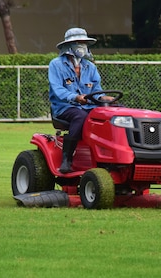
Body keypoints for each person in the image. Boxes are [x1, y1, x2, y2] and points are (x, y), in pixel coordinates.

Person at [48, 27, 109, 173]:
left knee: (113, 114)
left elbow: (96, 91)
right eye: (78, 42)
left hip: (88, 106)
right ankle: (67, 159)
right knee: (80, 116)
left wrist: (104, 98)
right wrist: (75, 97)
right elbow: (58, 90)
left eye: (84, 43)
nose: (81, 46)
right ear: (69, 45)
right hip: (64, 108)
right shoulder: (55, 64)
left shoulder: (90, 67)